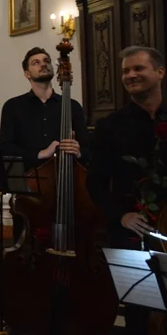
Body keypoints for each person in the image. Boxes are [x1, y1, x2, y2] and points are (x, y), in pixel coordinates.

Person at [87, 46, 167, 334]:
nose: (131, 75)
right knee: (139, 313)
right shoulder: (110, 126)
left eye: (138, 69)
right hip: (131, 234)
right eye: (125, 71)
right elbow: (94, 181)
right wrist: (121, 216)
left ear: (160, 72)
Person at [0, 47, 89, 173]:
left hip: (70, 176)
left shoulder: (73, 106)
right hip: (30, 181)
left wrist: (78, 152)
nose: (43, 64)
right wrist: (42, 153)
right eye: (36, 63)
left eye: (46, 61)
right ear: (27, 74)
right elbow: (6, 149)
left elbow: (89, 149)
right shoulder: (12, 107)